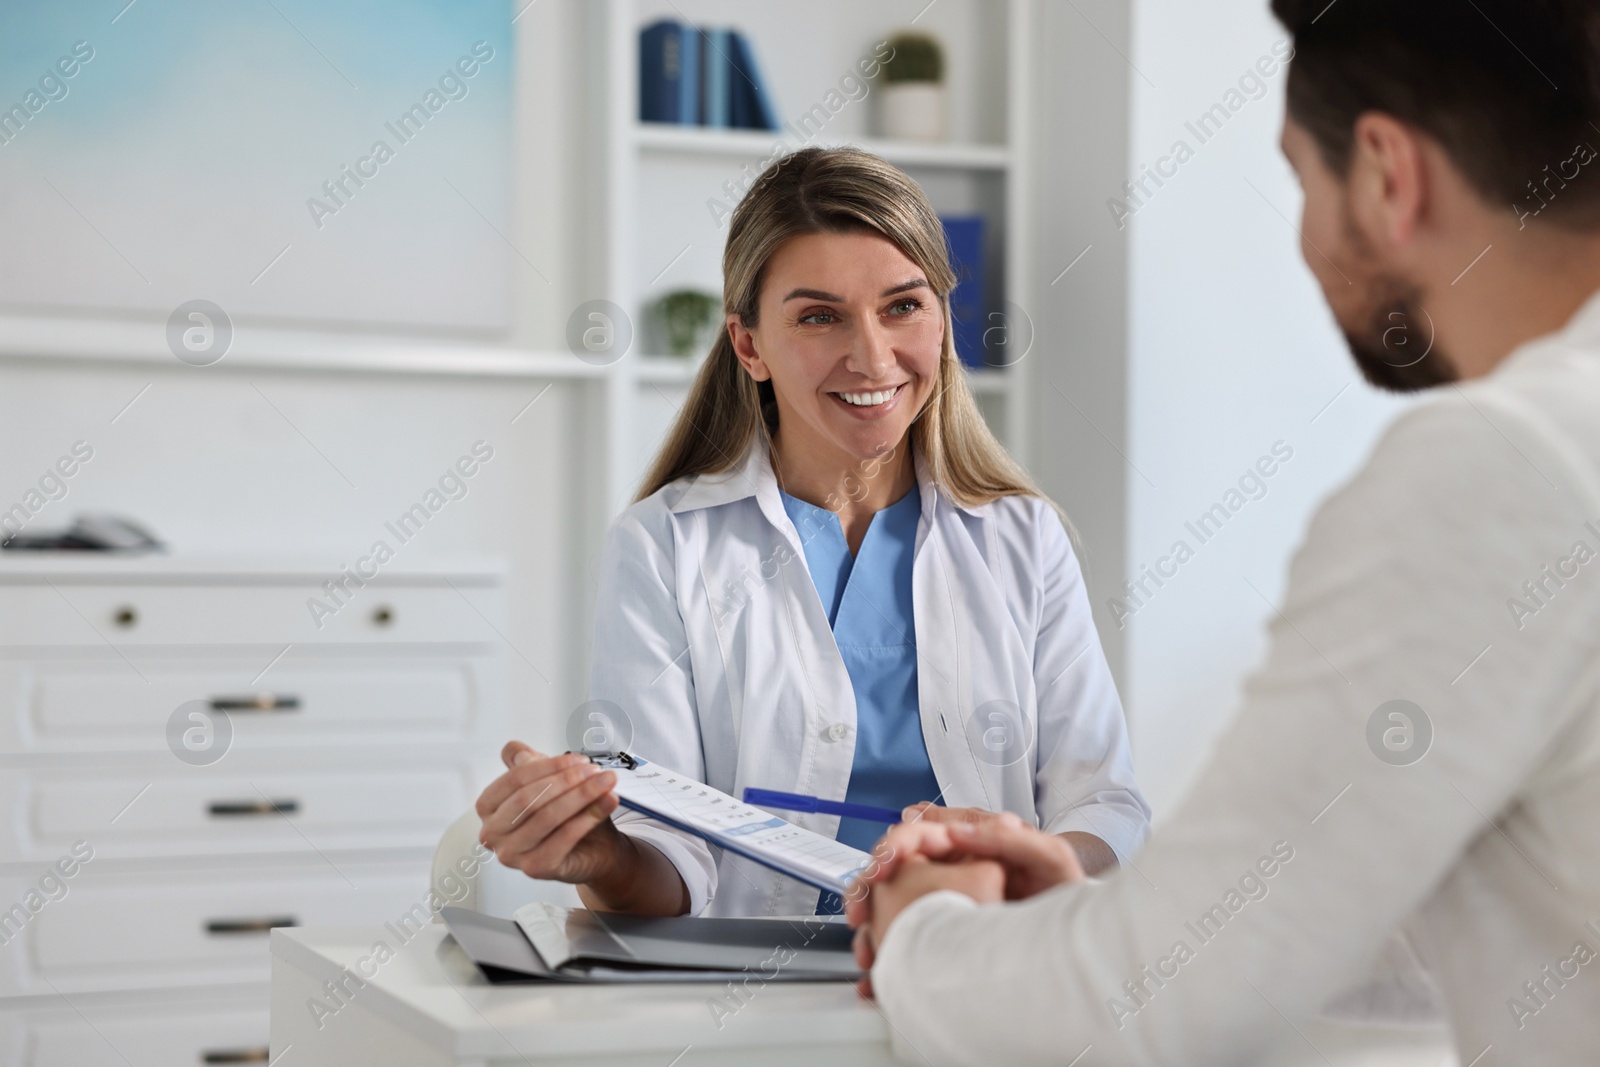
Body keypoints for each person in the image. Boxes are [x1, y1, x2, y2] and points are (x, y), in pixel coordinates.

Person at [848, 0, 1600, 1063]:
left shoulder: (1505, 461)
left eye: (1302, 180)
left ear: (1387, 173)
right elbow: (1492, 912)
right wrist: (1113, 914)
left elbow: (1157, 1005)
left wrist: (921, 920)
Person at [474, 147, 1150, 918]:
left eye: (903, 306)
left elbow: (1104, 803)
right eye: (819, 316)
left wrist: (1031, 860)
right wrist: (605, 859)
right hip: (755, 1001)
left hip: (982, 972)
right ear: (749, 346)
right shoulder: (663, 546)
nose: (872, 356)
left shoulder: (1023, 540)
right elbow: (667, 859)